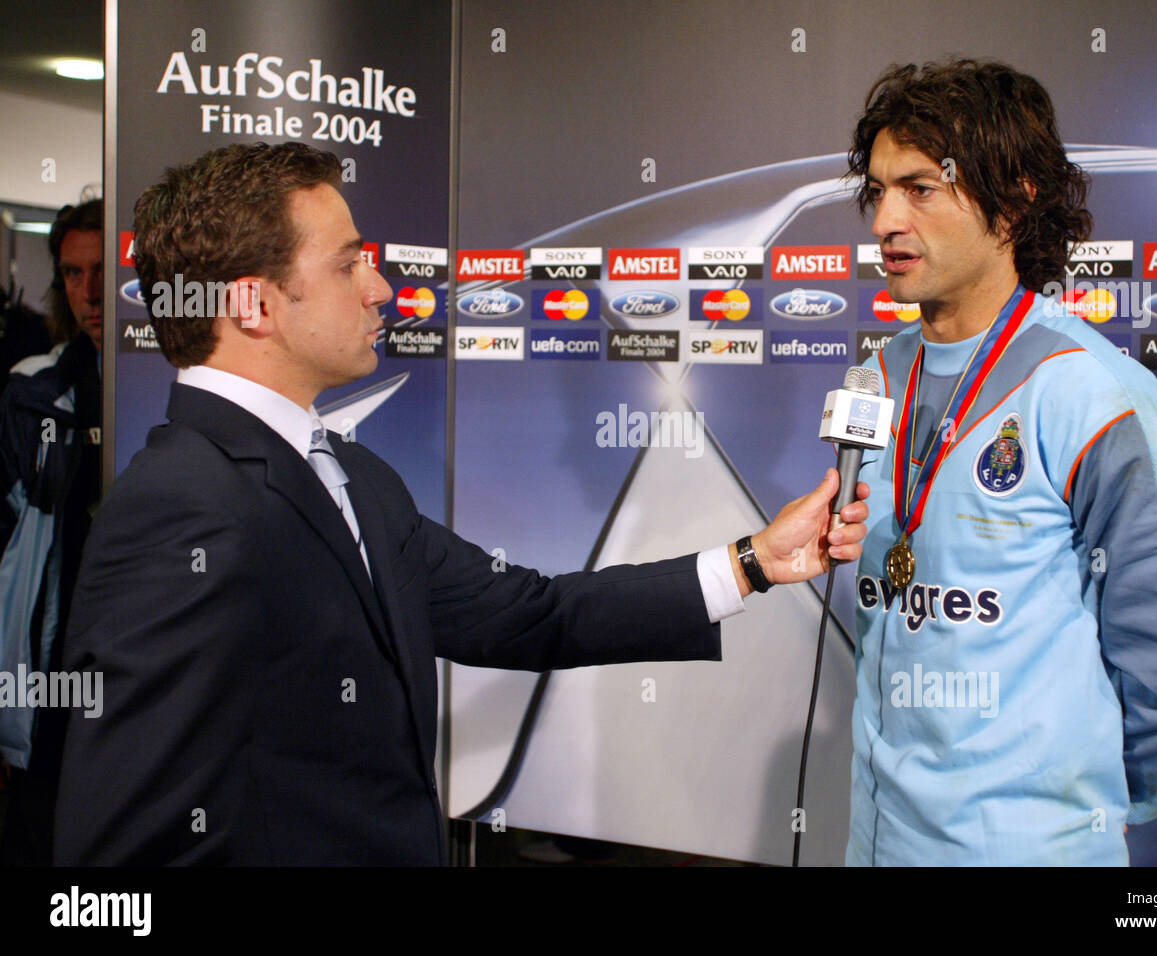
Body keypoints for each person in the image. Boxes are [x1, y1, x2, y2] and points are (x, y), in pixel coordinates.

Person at [51, 142, 870, 865]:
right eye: (346, 265)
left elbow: (529, 613)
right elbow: (121, 843)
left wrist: (755, 563)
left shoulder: (353, 477)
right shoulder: (178, 507)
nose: (381, 288)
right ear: (253, 304)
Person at [843, 59, 1157, 865]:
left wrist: (1068, 811)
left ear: (1015, 199)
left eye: (919, 188)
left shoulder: (1096, 397)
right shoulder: (876, 376)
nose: (885, 219)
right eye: (878, 190)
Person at [0, 199, 103, 865]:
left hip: (145, 686)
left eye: (101, 271)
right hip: (50, 687)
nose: (89, 292)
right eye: (71, 273)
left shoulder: (184, 387)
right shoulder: (32, 393)